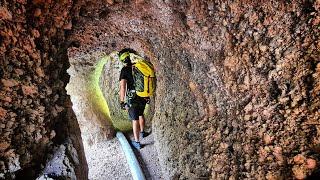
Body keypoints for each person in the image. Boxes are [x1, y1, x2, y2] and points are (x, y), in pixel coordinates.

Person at [118, 48, 149, 149]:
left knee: (134, 119)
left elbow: (123, 87)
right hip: (143, 95)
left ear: (122, 60)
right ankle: (143, 132)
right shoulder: (137, 66)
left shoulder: (124, 70)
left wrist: (122, 101)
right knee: (141, 114)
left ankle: (137, 142)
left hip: (133, 98)